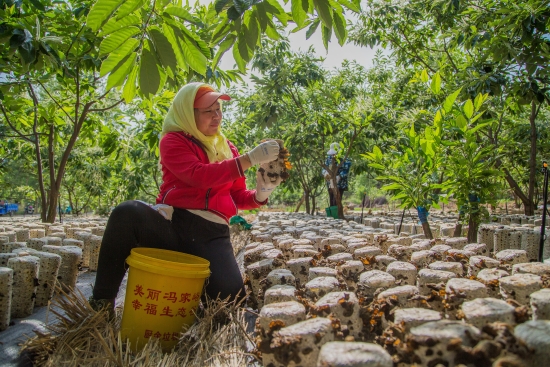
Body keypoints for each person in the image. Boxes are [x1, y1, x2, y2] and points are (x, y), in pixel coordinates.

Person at [90, 82, 282, 312]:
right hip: (175, 227)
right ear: (188, 114)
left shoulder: (227, 147)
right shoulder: (173, 141)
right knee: (127, 212)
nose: (216, 116)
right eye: (207, 111)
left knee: (230, 304)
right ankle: (101, 303)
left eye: (218, 109)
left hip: (212, 235)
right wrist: (248, 160)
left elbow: (237, 195)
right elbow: (197, 175)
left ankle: (192, 302)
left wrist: (262, 192)